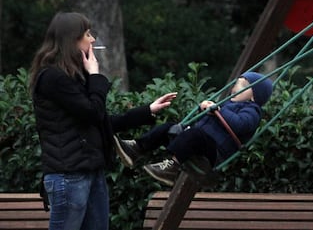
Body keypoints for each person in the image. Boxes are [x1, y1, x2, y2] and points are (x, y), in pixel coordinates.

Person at [29, 12, 176, 230]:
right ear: (72, 40)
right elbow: (93, 112)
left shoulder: (72, 77)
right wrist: (95, 76)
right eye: (87, 34)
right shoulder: (52, 78)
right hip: (69, 176)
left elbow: (99, 121)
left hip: (90, 171)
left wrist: (148, 110)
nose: (93, 39)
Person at [114, 72, 273, 186]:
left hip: (214, 152)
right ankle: (136, 148)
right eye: (237, 82)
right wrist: (204, 110)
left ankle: (172, 166)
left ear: (254, 97)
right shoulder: (227, 104)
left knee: (195, 134)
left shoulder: (252, 111)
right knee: (170, 127)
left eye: (243, 85)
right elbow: (210, 121)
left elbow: (240, 125)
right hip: (201, 142)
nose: (236, 86)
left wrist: (217, 109)